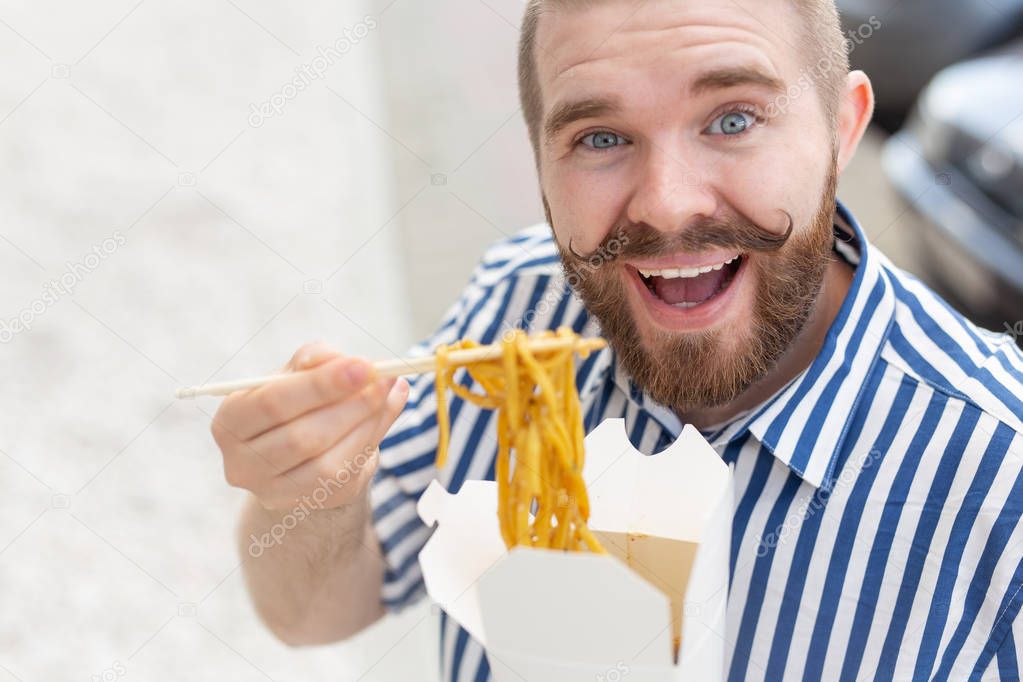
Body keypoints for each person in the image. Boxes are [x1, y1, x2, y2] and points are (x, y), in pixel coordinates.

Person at [209, 0, 1023, 679]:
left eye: (732, 119)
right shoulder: (519, 309)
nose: (666, 205)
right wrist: (309, 494)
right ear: (540, 162)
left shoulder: (1001, 477)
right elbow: (315, 614)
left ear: (841, 130)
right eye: (600, 138)